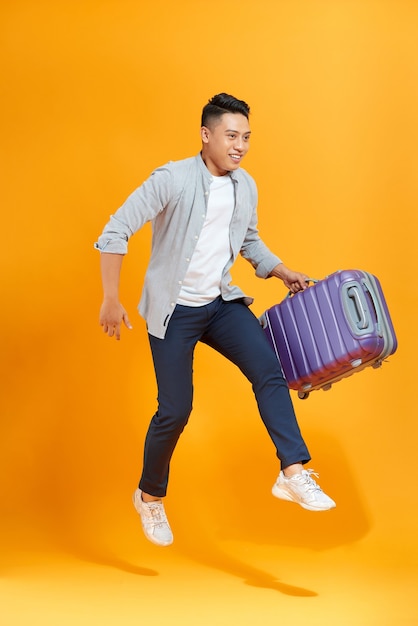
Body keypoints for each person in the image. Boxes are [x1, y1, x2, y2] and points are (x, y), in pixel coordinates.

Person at [95, 93, 336, 547]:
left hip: (220, 303)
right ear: (206, 135)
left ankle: (293, 472)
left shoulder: (245, 186)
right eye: (231, 136)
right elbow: (115, 231)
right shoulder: (172, 178)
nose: (240, 145)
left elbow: (249, 240)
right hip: (174, 311)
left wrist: (282, 271)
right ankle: (149, 497)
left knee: (269, 371)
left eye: (246, 137)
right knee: (175, 410)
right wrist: (111, 298)